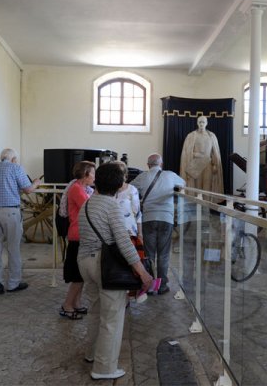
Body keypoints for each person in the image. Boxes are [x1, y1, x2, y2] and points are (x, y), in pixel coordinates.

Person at [77, 162, 154, 380]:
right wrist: (142, 271)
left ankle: (91, 353)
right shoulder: (112, 206)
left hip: (85, 262)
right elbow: (123, 242)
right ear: (120, 185)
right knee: (112, 317)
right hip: (104, 265)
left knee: (95, 311)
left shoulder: (88, 204)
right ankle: (104, 368)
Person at [0, 148, 41, 295]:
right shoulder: (16, 168)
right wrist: (36, 183)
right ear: (13, 159)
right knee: (13, 248)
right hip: (10, 212)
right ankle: (13, 283)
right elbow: (28, 190)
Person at [130, 153, 185, 295]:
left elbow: (130, 189)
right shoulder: (170, 175)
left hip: (148, 218)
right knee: (164, 254)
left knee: (149, 254)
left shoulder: (142, 177)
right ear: (161, 164)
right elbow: (183, 184)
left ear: (148, 165)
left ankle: (150, 285)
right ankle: (162, 286)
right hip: (166, 218)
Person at [60, 161, 96, 320]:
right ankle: (67, 304)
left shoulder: (81, 188)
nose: (94, 177)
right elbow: (90, 206)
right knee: (78, 275)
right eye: (93, 173)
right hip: (77, 234)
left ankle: (77, 302)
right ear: (86, 174)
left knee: (81, 274)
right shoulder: (76, 189)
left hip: (82, 234)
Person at [180, 115, 224, 195]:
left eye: (203, 122)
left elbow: (214, 152)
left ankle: (206, 206)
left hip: (208, 165)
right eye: (199, 122)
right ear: (197, 123)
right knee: (197, 187)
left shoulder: (212, 136)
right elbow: (187, 153)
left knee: (207, 186)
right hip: (196, 164)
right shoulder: (192, 136)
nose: (201, 124)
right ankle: (197, 205)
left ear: (206, 123)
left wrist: (215, 164)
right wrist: (196, 154)